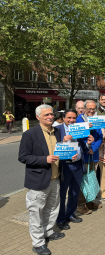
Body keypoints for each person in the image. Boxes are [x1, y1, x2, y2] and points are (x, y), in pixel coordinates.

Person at [19, 104, 66, 255]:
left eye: (51, 114)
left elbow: (60, 151)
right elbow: (23, 157)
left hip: (55, 178)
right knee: (36, 213)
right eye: (46, 115)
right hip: (39, 180)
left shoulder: (57, 131)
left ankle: (48, 232)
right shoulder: (30, 134)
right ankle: (38, 243)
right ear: (38, 117)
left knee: (53, 209)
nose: (50, 117)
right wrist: (44, 159)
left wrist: (67, 155)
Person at [55, 110, 89, 230]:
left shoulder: (78, 129)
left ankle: (70, 214)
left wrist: (88, 144)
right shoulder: (57, 129)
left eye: (74, 118)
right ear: (63, 118)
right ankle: (60, 219)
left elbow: (82, 147)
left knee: (74, 193)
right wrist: (63, 141)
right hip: (65, 166)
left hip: (77, 166)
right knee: (62, 194)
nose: (71, 120)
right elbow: (52, 147)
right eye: (69, 117)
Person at [76, 100, 103, 214]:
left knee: (91, 179)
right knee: (83, 181)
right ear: (85, 108)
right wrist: (88, 146)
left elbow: (100, 137)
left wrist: (93, 148)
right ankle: (80, 205)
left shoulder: (97, 120)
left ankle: (90, 201)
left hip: (93, 155)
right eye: (89, 109)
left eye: (93, 109)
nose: (91, 111)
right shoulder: (79, 119)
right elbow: (79, 137)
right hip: (84, 156)